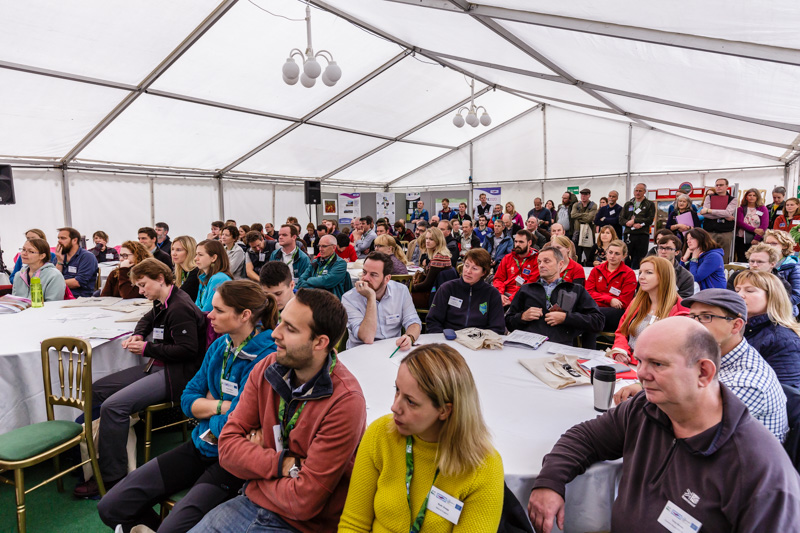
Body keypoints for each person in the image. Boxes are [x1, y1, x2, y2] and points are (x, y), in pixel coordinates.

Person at [529, 317, 800, 533]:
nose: (641, 374)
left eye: (657, 364)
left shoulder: (760, 471)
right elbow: (585, 437)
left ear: (703, 372)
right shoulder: (646, 408)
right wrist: (550, 482)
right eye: (640, 360)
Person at [97, 281, 279, 533]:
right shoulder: (219, 346)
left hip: (231, 464)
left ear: (245, 315)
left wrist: (208, 408)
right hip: (200, 446)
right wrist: (222, 407)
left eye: (219, 310)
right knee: (110, 507)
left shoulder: (266, 358)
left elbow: (237, 423)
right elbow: (187, 398)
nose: (209, 315)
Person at [190, 289, 367, 533]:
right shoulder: (267, 367)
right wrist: (284, 464)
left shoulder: (345, 402)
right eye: (281, 320)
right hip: (249, 505)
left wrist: (254, 477)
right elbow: (228, 449)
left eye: (290, 329)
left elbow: (303, 502)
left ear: (320, 342)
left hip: (301, 526)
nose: (275, 333)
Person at [74, 259, 207, 498]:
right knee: (96, 389)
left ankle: (111, 478)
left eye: (143, 285)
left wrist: (146, 348)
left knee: (114, 406)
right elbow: (147, 319)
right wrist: (138, 335)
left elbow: (187, 351)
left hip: (175, 375)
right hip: (158, 367)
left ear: (160, 278)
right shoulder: (165, 301)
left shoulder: (179, 307)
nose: (140, 290)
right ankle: (88, 456)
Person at [338, 343, 504, 532]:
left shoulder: (483, 468)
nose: (395, 407)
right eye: (397, 390)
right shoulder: (380, 434)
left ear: (444, 410)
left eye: (410, 401)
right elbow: (353, 524)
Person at [615, 289, 789, 442]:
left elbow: (683, 427)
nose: (694, 325)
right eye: (692, 316)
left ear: (736, 325)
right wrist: (642, 387)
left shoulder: (747, 382)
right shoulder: (717, 354)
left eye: (707, 317)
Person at [506, 246, 603, 345]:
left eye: (546, 261)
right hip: (529, 346)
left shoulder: (575, 290)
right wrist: (522, 317)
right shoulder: (526, 289)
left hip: (560, 348)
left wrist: (566, 318)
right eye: (539, 262)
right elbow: (508, 322)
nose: (541, 265)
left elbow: (598, 321)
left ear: (560, 264)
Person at [610, 256, 689, 364]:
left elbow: (674, 350)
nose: (641, 277)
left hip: (656, 371)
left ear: (663, 276)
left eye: (649, 272)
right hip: (628, 364)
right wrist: (620, 351)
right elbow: (622, 331)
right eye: (641, 272)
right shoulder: (636, 302)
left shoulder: (681, 310)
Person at [734, 270, 800, 388]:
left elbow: (789, 394)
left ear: (772, 296)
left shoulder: (783, 340)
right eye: (737, 290)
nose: (739, 295)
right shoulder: (738, 327)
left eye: (749, 290)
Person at [342, 252, 421, 349]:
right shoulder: (349, 298)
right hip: (361, 352)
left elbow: (413, 321)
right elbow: (367, 337)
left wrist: (410, 337)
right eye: (364, 272)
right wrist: (371, 297)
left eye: (373, 275)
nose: (365, 278)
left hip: (392, 350)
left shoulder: (401, 291)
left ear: (387, 279)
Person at [426, 248, 505, 335]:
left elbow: (498, 327)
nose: (468, 271)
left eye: (474, 268)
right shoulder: (447, 288)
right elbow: (433, 321)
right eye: (466, 266)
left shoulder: (492, 294)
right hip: (449, 340)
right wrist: (443, 339)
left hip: (479, 343)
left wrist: (482, 339)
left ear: (483, 272)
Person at [586, 239, 636, 334]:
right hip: (594, 308)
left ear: (624, 256)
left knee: (591, 317)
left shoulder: (629, 274)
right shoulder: (596, 270)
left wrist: (598, 298)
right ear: (606, 253)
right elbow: (588, 293)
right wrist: (609, 299)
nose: (613, 256)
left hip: (615, 313)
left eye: (617, 254)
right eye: (610, 252)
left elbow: (624, 302)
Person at [296, 234, 353, 299]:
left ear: (334, 247)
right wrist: (316, 285)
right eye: (319, 246)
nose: (320, 249)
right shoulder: (315, 262)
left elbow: (327, 281)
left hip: (331, 302)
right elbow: (301, 280)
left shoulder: (340, 263)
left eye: (324, 246)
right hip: (313, 300)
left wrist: (309, 280)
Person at [411, 227, 454, 309]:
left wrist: (410, 287)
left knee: (403, 297)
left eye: (431, 239)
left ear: (438, 241)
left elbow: (427, 285)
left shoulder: (438, 257)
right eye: (426, 238)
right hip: (440, 295)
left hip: (434, 298)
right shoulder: (442, 255)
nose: (427, 241)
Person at [492, 229, 538, 307]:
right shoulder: (507, 258)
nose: (517, 244)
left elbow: (530, 284)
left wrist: (512, 299)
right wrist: (500, 294)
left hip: (524, 296)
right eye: (516, 241)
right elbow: (498, 279)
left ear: (529, 243)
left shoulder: (536, 260)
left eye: (521, 242)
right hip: (504, 294)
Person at [54, 226, 98, 298]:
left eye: (63, 238)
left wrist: (55, 284)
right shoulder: (59, 256)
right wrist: (59, 262)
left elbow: (78, 282)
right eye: (58, 238)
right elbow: (55, 277)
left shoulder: (87, 257)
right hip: (60, 295)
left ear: (74, 240)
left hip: (79, 298)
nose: (59, 241)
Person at [619, 183, 655, 269]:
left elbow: (650, 219)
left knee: (639, 259)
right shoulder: (628, 204)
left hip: (642, 235)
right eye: (636, 190)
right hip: (629, 234)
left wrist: (636, 221)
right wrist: (628, 222)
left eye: (640, 191)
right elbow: (621, 219)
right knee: (626, 257)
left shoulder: (649, 204)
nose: (638, 193)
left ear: (644, 192)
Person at [700, 177, 737, 262]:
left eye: (721, 185)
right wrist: (723, 215)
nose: (718, 187)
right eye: (717, 185)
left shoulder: (733, 199)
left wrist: (709, 210)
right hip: (709, 231)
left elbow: (727, 212)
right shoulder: (709, 198)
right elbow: (705, 215)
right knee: (708, 255)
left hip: (725, 232)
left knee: (724, 256)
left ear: (727, 186)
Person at [763, 229, 800, 311]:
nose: (769, 246)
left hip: (784, 312)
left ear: (785, 246)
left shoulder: (793, 265)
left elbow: (797, 296)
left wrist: (771, 304)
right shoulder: (760, 262)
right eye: (767, 243)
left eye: (774, 243)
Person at [194, 240, 233, 313]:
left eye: (200, 255)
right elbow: (195, 307)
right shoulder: (203, 278)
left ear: (213, 258)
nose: (196, 258)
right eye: (196, 254)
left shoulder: (219, 279)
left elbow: (208, 311)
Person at [735, 188, 769, 262]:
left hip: (756, 238)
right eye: (749, 195)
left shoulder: (762, 208)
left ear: (757, 197)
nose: (751, 197)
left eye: (754, 195)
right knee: (742, 259)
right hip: (741, 238)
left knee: (755, 259)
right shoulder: (741, 209)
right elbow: (740, 223)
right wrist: (754, 229)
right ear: (746, 197)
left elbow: (764, 225)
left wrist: (757, 238)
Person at [655, 234, 695, 299]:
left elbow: (684, 303)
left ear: (677, 252)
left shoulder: (686, 277)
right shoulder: (648, 270)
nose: (663, 251)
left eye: (668, 248)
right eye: (661, 248)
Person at [570, 188, 598, 265]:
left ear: (589, 195)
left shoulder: (593, 205)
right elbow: (572, 215)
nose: (583, 196)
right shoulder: (576, 205)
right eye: (582, 194)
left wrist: (578, 217)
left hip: (587, 233)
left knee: (589, 254)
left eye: (585, 195)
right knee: (577, 254)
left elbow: (589, 218)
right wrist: (585, 215)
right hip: (577, 232)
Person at [172, 235, 200, 302]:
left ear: (189, 252)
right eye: (172, 249)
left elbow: (179, 296)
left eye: (178, 250)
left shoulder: (195, 272)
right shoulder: (180, 271)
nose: (173, 253)